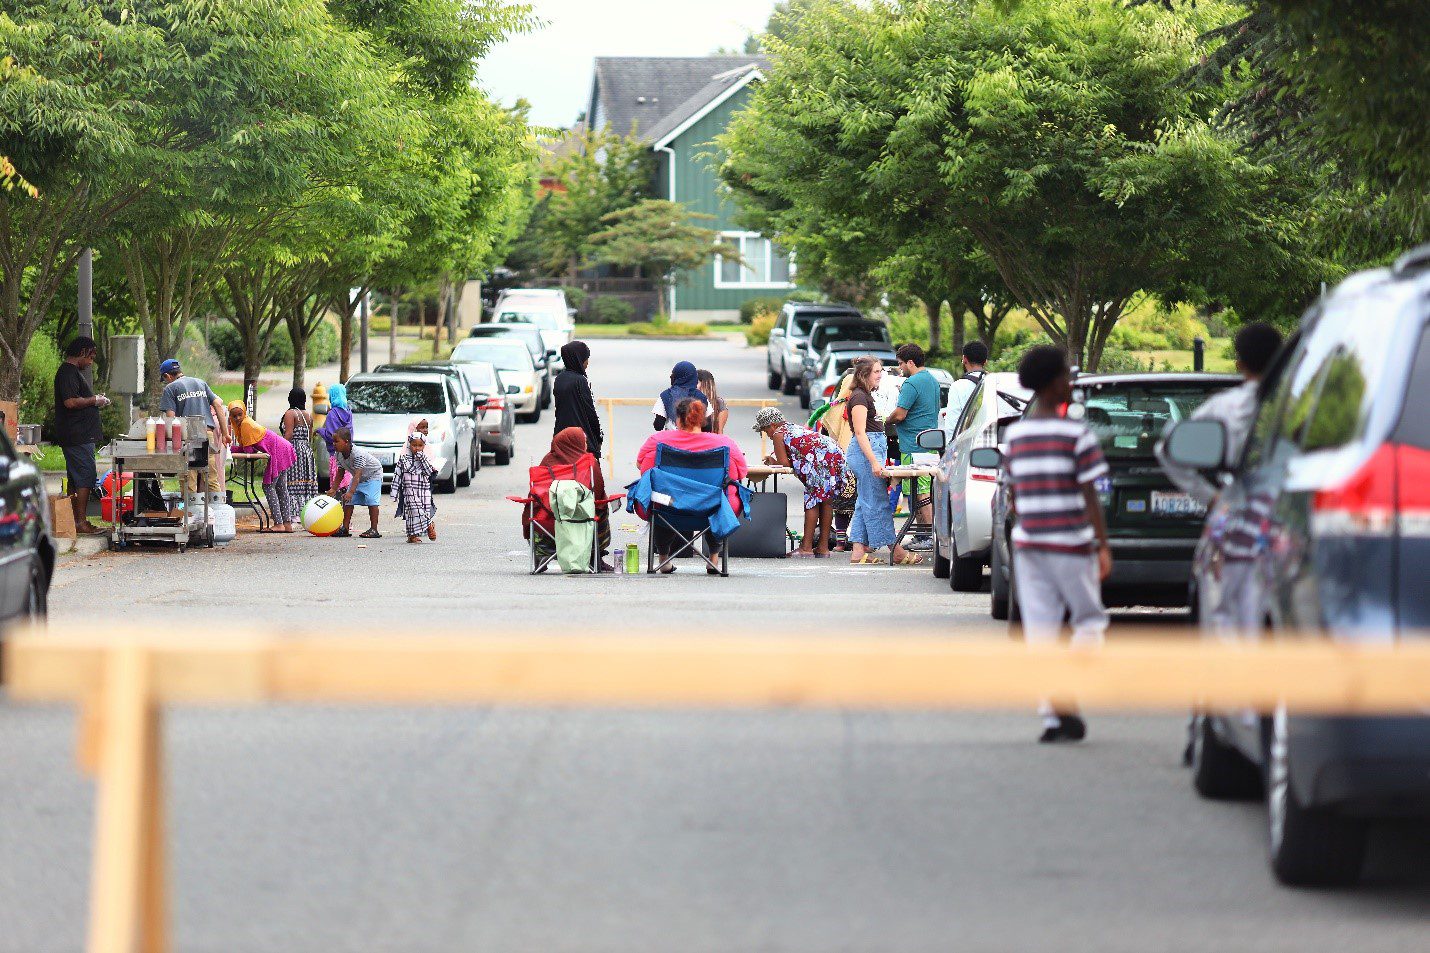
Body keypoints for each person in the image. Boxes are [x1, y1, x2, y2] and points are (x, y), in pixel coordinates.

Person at [1156, 320, 1282, 763]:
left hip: (1237, 535)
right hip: (1296, 537)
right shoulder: (1309, 410)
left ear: (1241, 362)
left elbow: (1170, 451)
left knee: (1225, 624)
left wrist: (1213, 498)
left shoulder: (1229, 408)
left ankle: (1220, 726)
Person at [1003, 345, 1112, 744]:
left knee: (1041, 628)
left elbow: (1013, 495)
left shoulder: (1014, 436)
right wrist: (1102, 543)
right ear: (1052, 385)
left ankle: (1053, 714)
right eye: (1066, 377)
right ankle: (1069, 690)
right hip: (1071, 542)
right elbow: (1090, 493)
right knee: (1089, 620)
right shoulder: (1076, 434)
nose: (1070, 384)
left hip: (1029, 543)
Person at [637, 396, 748, 573]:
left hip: (668, 508)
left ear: (678, 418)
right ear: (703, 419)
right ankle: (713, 558)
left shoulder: (658, 440)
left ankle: (664, 558)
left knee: (660, 496)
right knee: (719, 496)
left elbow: (643, 468)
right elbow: (741, 473)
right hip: (710, 508)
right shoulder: (725, 443)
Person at [845, 357, 920, 566]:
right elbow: (860, 432)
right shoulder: (860, 398)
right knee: (877, 502)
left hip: (869, 453)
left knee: (865, 501)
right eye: (876, 371)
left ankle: (858, 552)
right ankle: (895, 549)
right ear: (864, 374)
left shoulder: (866, 396)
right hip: (865, 454)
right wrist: (874, 462)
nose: (880, 375)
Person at [754, 407, 848, 558]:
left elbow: (784, 465)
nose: (768, 436)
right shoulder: (792, 427)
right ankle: (823, 548)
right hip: (835, 455)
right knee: (826, 501)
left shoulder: (778, 434)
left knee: (812, 501)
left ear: (772, 425)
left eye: (766, 431)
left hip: (820, 460)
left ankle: (806, 547)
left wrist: (771, 461)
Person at [52, 337, 110, 535]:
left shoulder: (72, 372)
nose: (91, 362)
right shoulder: (67, 372)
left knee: (76, 479)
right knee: (85, 477)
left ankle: (73, 520)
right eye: (91, 356)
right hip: (76, 435)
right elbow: (70, 402)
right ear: (83, 352)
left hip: (78, 435)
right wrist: (95, 400)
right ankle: (81, 522)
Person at [884, 343, 940, 540]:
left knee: (921, 494)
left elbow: (900, 414)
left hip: (913, 446)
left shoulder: (912, 383)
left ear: (910, 362)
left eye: (901, 364)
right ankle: (923, 535)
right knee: (919, 492)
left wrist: (884, 419)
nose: (900, 369)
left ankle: (929, 536)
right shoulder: (932, 380)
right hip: (929, 444)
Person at [541, 426, 614, 571]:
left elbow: (538, 492)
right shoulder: (588, 462)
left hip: (548, 520)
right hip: (583, 520)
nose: (586, 445)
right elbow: (598, 493)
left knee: (534, 510)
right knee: (601, 508)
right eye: (584, 441)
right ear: (576, 443)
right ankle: (594, 555)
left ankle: (541, 556)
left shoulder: (547, 461)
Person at [158, 358, 229, 498]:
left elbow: (171, 419)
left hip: (187, 435)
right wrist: (226, 433)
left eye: (165, 379)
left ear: (167, 376)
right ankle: (217, 514)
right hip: (206, 433)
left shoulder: (171, 388)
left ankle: (189, 514)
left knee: (188, 478)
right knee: (211, 477)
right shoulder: (200, 382)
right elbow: (218, 405)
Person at [228, 401, 299, 533]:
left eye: (239, 414)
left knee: (268, 486)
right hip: (284, 448)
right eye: (234, 416)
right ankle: (287, 523)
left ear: (244, 412)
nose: (237, 418)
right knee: (281, 488)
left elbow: (249, 451)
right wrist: (231, 448)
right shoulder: (246, 422)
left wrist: (231, 450)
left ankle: (278, 524)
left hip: (278, 451)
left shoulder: (245, 424)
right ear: (230, 417)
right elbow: (248, 448)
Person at [552, 340, 603, 456]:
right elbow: (590, 412)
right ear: (578, 359)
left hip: (561, 436)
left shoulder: (559, 379)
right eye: (586, 358)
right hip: (581, 440)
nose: (587, 362)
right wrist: (598, 438)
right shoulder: (580, 380)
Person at [331, 427, 383, 539]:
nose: (334, 444)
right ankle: (345, 528)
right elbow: (340, 472)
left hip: (372, 475)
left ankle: (374, 529)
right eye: (333, 442)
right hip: (358, 477)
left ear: (346, 442)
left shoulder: (357, 454)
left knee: (371, 500)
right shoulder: (338, 454)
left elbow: (358, 474)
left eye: (336, 441)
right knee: (348, 501)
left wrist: (351, 491)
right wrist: (333, 488)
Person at [279, 387, 320, 517]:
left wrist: (278, 448)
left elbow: (289, 434)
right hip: (307, 451)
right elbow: (310, 436)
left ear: (290, 399)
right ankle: (307, 513)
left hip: (294, 450)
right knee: (305, 482)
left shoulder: (291, 413)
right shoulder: (308, 415)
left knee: (292, 481)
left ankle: (294, 513)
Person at [392, 430, 437, 543]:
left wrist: (421, 459)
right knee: (412, 511)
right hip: (409, 489)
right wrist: (394, 491)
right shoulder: (404, 459)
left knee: (423, 510)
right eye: (414, 445)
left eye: (420, 445)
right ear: (409, 444)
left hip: (423, 489)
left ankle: (413, 535)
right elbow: (397, 474)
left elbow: (428, 472)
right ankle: (428, 525)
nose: (417, 448)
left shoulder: (425, 458)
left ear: (424, 446)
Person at [943, 340, 989, 439]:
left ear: (964, 359)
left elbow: (952, 425)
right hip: (990, 442)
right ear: (985, 361)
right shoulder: (994, 383)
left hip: (967, 445)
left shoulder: (958, 386)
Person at [317, 382, 353, 494]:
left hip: (336, 454)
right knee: (345, 484)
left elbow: (330, 435)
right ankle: (346, 507)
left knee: (336, 484)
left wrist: (319, 430)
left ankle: (339, 508)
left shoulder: (332, 414)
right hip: (347, 453)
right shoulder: (349, 412)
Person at [651, 360, 706, 431]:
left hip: (671, 440)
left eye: (673, 373)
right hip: (694, 440)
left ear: (676, 376)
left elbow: (658, 426)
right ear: (694, 377)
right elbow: (708, 427)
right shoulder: (701, 397)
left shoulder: (665, 396)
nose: (670, 376)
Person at [697, 369, 728, 434]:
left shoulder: (719, 403)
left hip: (710, 441)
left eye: (696, 382)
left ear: (706, 384)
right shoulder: (688, 402)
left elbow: (719, 432)